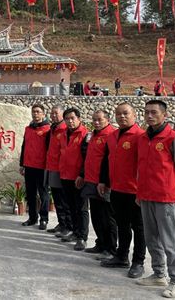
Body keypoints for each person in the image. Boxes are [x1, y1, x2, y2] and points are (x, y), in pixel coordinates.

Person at [136, 100, 175, 298]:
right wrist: (139, 193)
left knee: (170, 240)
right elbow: (141, 169)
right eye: (146, 112)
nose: (149, 116)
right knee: (151, 238)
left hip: (165, 197)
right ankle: (159, 274)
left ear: (164, 115)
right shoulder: (143, 139)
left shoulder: (174, 138)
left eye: (154, 112)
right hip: (146, 196)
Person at [99, 103, 147, 279]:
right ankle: (121, 256)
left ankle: (138, 262)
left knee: (139, 228)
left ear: (134, 115)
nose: (122, 117)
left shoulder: (141, 136)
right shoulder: (112, 136)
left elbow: (146, 165)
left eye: (126, 113)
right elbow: (106, 159)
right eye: (118, 114)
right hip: (117, 188)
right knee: (122, 225)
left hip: (135, 191)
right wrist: (104, 181)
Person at [80, 110, 117, 260]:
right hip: (91, 180)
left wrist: (105, 181)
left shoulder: (111, 135)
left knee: (107, 217)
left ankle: (111, 248)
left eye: (99, 119)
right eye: (94, 119)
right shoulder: (92, 135)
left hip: (104, 183)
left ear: (107, 120)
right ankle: (100, 243)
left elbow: (110, 161)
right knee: (96, 215)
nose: (96, 122)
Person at [54, 108, 90, 251]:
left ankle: (82, 237)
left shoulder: (85, 134)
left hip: (78, 177)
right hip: (65, 175)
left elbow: (87, 157)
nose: (70, 121)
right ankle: (75, 232)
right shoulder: (63, 134)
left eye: (72, 118)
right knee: (71, 206)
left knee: (81, 208)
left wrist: (82, 174)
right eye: (67, 118)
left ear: (79, 118)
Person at [19, 104, 51, 230]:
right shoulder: (28, 129)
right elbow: (24, 147)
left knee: (43, 194)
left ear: (43, 114)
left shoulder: (48, 129)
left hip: (42, 167)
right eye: (34, 112)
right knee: (30, 194)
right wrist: (22, 164)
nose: (35, 114)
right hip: (29, 166)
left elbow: (50, 149)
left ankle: (44, 219)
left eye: (38, 112)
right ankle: (32, 218)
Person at [45, 106, 72, 236]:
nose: (54, 115)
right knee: (57, 198)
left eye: (56, 113)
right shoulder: (53, 128)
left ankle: (67, 225)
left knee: (63, 199)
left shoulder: (65, 129)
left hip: (61, 168)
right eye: (52, 113)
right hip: (52, 167)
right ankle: (62, 223)